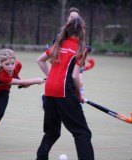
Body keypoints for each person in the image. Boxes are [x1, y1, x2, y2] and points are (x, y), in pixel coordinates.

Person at [36, 17, 94, 160]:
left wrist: (51, 78)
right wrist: (79, 95)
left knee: (52, 132)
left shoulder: (59, 43)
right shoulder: (81, 48)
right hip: (64, 93)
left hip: (49, 91)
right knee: (82, 132)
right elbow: (75, 76)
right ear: (82, 30)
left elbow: (40, 60)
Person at [0, 48, 44, 147]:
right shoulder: (2, 74)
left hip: (4, 91)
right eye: (7, 64)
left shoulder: (18, 65)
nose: (11, 66)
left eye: (12, 63)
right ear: (1, 64)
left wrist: (23, 81)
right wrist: (35, 80)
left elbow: (16, 76)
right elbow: (18, 82)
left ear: (15, 61)